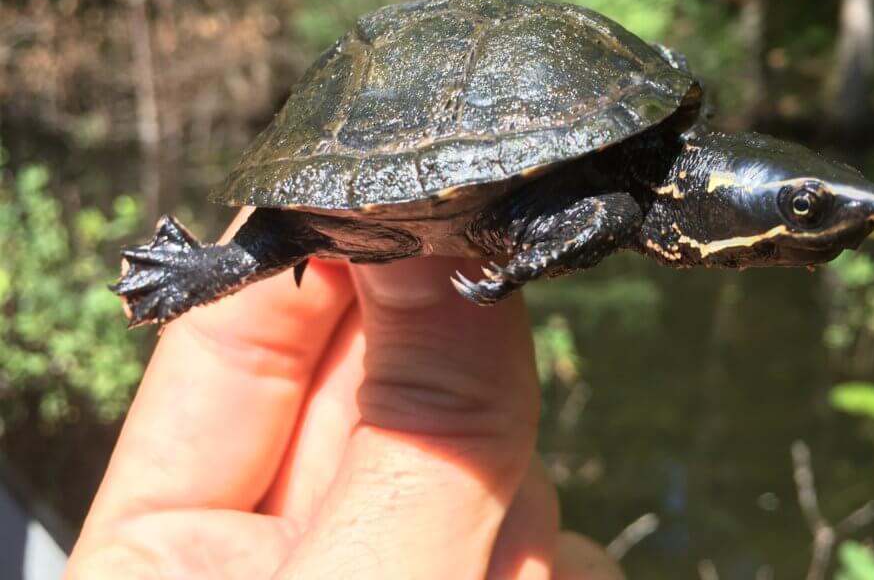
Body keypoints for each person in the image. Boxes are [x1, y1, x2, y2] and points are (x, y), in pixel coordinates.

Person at [67, 210, 625, 579]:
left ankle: (188, 271)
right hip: (373, 165)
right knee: (297, 227)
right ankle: (187, 272)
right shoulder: (614, 203)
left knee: (286, 237)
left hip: (368, 179)